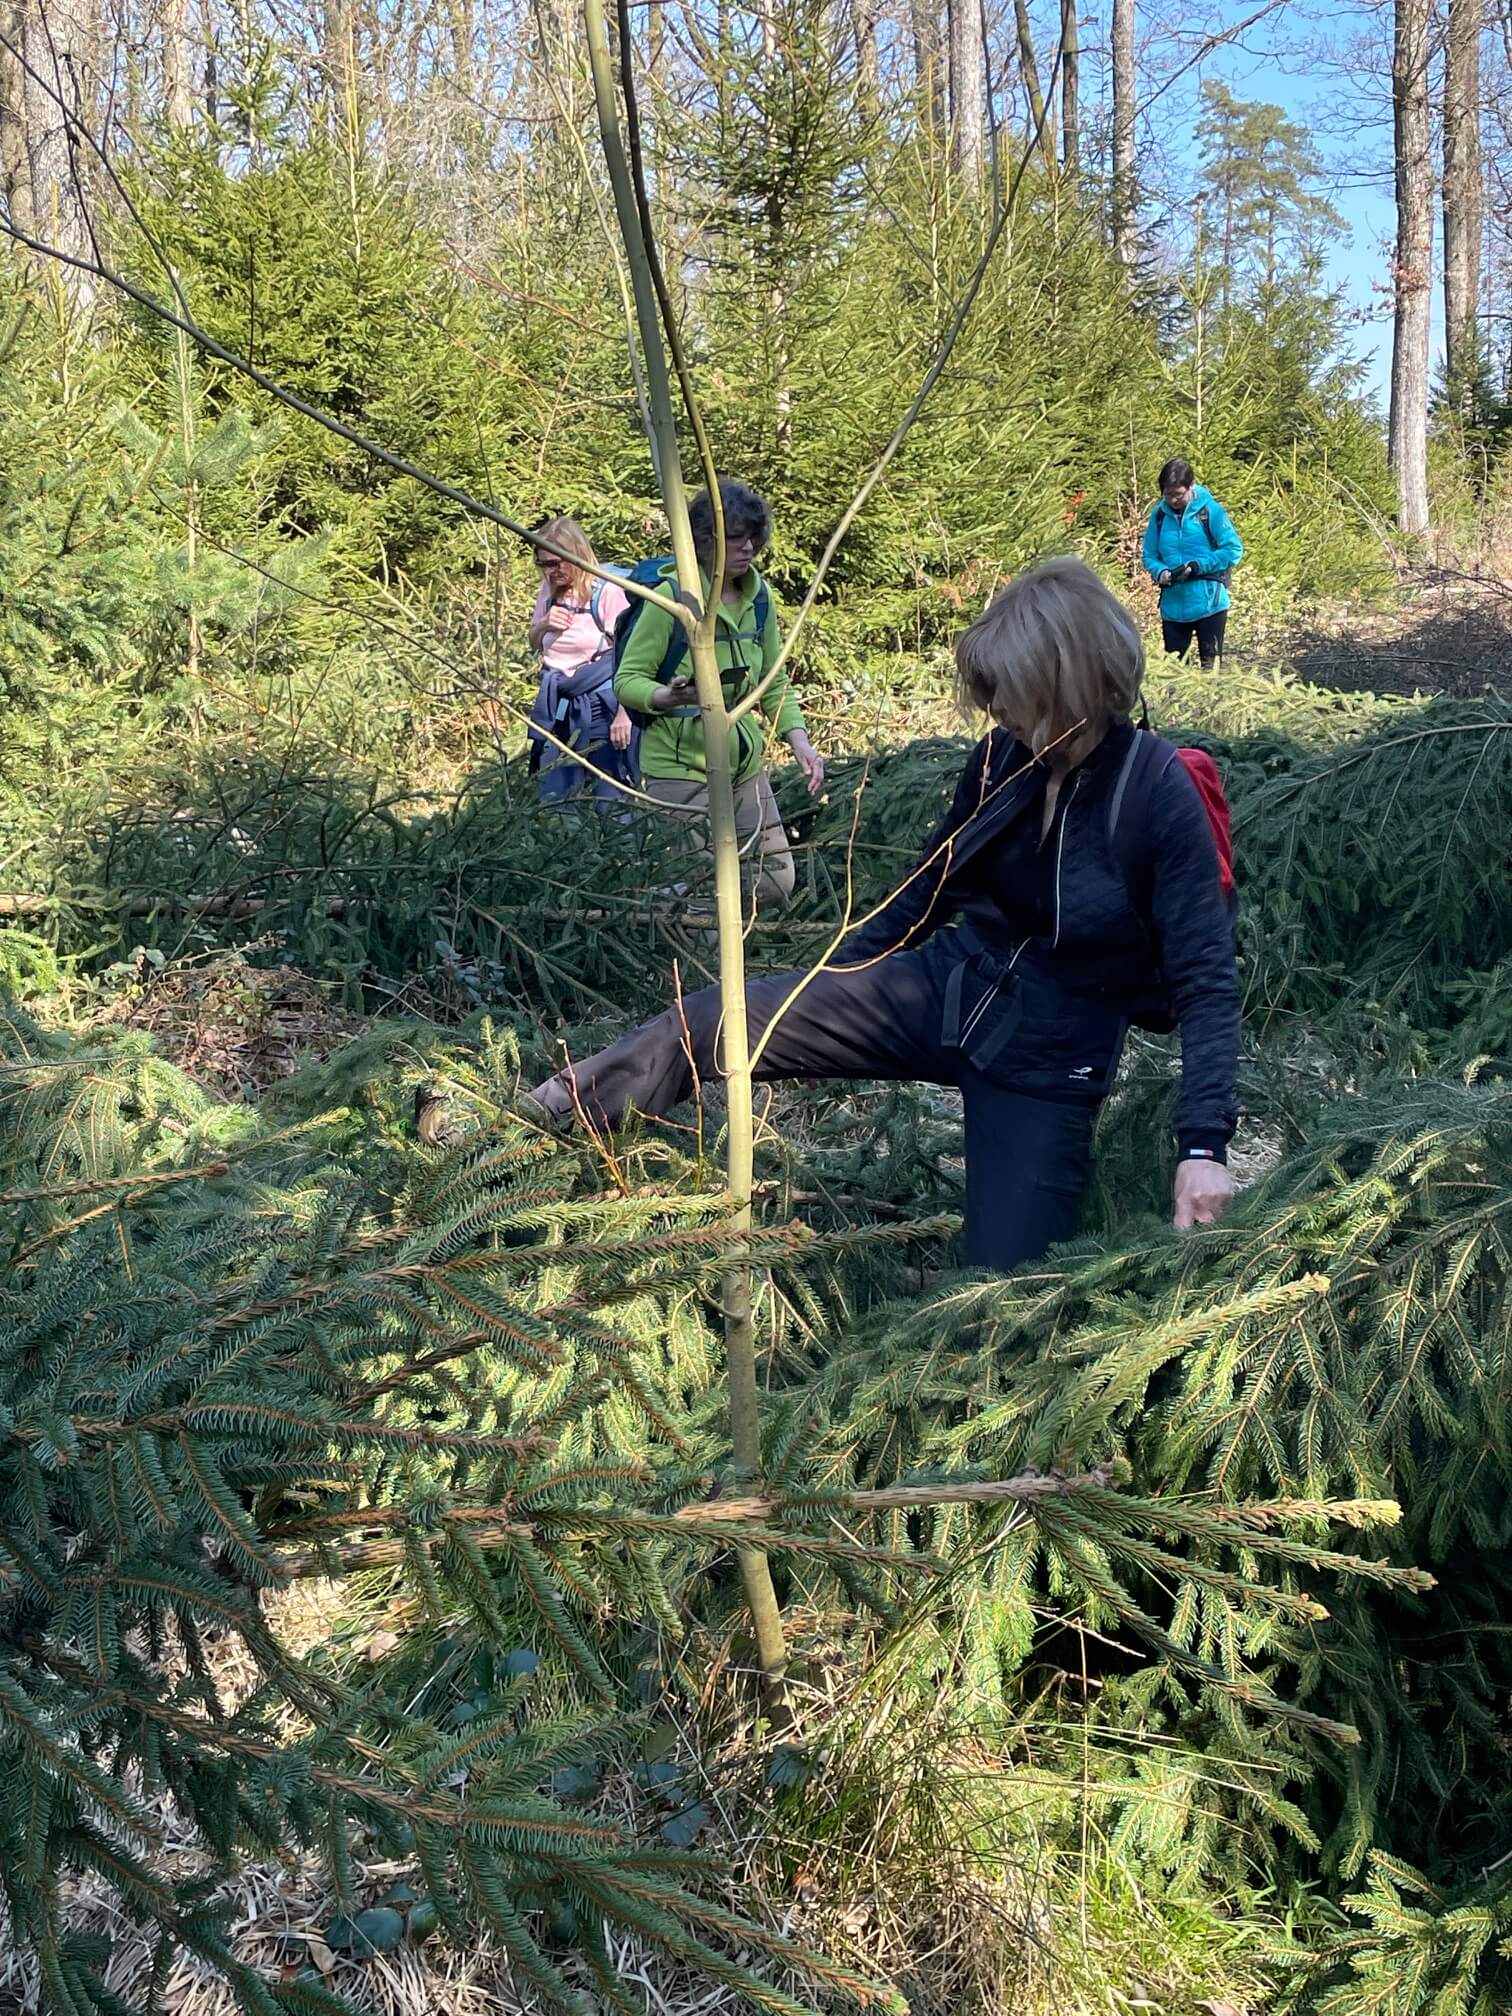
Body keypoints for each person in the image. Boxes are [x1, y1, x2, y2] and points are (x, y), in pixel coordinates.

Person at [531, 556, 1239, 1272]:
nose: (995, 709)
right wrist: (819, 994)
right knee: (712, 1020)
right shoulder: (1002, 759)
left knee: (1005, 1289)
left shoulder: (1156, 791)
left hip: (1049, 1064)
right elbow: (924, 895)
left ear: (1066, 682)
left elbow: (1206, 981)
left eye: (1009, 691)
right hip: (945, 991)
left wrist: (1203, 1146)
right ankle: (537, 1125)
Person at [613, 480, 823, 911]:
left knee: (775, 879)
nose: (748, 549)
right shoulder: (671, 600)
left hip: (744, 767)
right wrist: (668, 697)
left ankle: (723, 933)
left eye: (753, 538)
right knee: (698, 892)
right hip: (680, 771)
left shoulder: (759, 598)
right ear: (705, 541)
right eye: (736, 538)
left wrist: (799, 741)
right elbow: (627, 680)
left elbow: (773, 680)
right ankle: (682, 940)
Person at [526, 517, 634, 805]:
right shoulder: (548, 591)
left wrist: (625, 715)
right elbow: (534, 642)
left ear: (577, 554)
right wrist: (544, 625)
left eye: (556, 563)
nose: (550, 571)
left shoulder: (607, 592)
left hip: (601, 707)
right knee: (554, 798)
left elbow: (632, 657)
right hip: (559, 705)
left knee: (609, 797)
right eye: (543, 563)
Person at [1142, 459, 1243, 671]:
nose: (1173, 500)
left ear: (1191, 486)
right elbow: (1149, 556)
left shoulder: (1210, 511)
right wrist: (1161, 572)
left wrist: (1198, 566)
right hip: (1172, 607)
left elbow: (1233, 550)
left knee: (1211, 669)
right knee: (1177, 672)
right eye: (1168, 494)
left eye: (1178, 494)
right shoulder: (1159, 516)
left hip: (1210, 604)